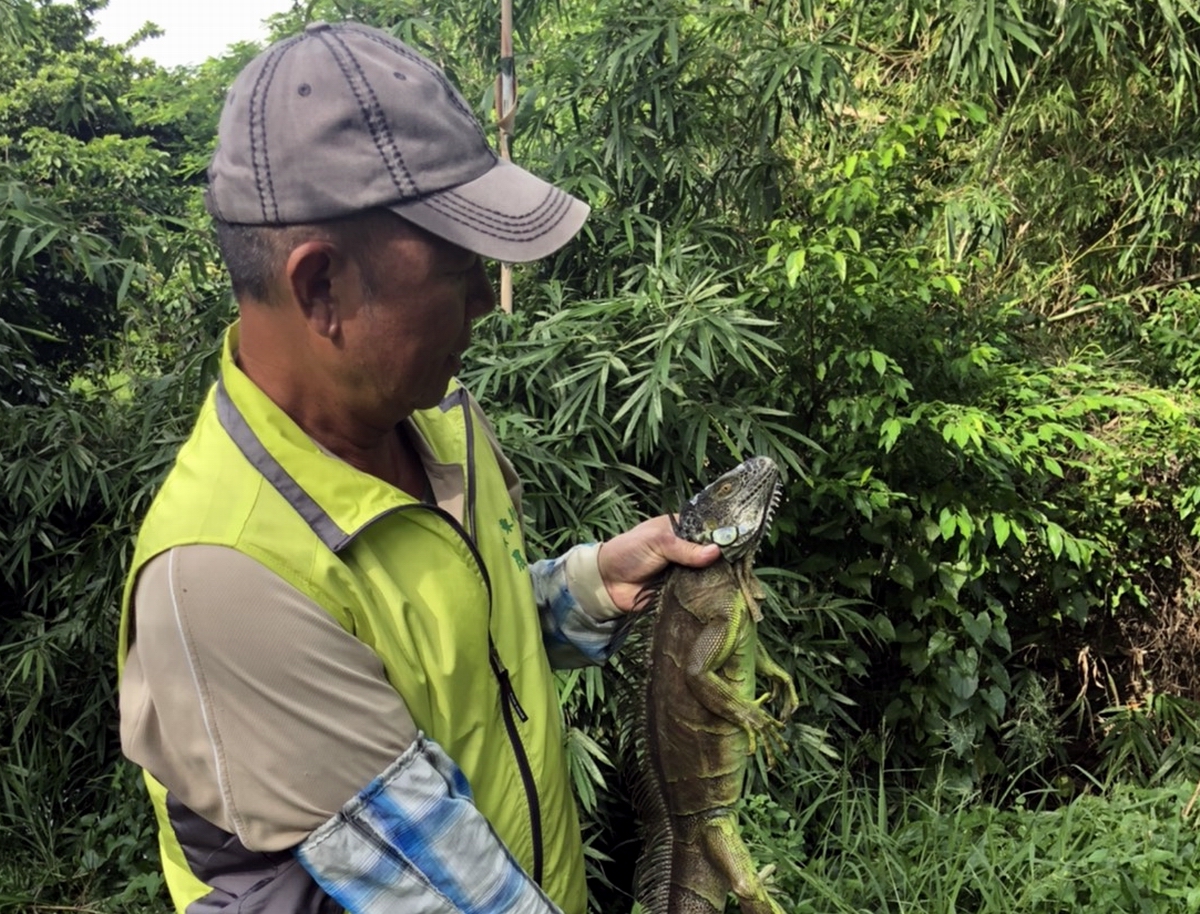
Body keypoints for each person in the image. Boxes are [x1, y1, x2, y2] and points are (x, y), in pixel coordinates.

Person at [116, 19, 718, 914]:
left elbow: (457, 643)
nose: (486, 300)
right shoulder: (225, 577)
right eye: (458, 270)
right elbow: (451, 895)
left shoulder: (432, 415)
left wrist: (591, 587)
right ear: (320, 288)